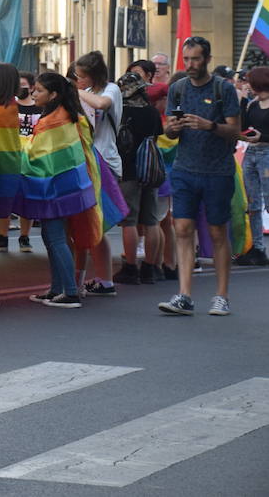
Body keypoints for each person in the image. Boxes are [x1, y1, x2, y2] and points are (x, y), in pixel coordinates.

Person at [159, 37, 242, 316]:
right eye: (187, 59)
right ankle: (184, 295)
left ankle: (221, 296)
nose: (190, 65)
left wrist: (209, 126)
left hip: (218, 171)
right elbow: (170, 132)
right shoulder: (178, 89)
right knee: (182, 229)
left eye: (195, 59)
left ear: (207, 59)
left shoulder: (223, 89)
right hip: (184, 169)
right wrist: (172, 128)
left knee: (218, 231)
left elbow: (235, 130)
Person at [22, 71, 92, 308]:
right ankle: (56, 289)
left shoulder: (53, 120)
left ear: (53, 94)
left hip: (53, 187)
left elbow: (37, 154)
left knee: (55, 237)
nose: (34, 93)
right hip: (66, 185)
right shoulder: (66, 115)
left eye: (39, 90)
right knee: (51, 236)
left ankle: (69, 291)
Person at [73, 51, 122, 297]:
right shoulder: (88, 92)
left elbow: (102, 105)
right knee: (88, 225)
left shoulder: (111, 90)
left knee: (96, 225)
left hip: (106, 162)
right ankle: (93, 280)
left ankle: (103, 280)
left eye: (80, 77)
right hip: (87, 161)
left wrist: (75, 91)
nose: (78, 81)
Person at [112, 71, 167, 284]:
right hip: (150, 171)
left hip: (128, 170)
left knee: (130, 222)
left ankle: (130, 267)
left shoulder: (121, 112)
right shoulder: (152, 112)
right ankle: (150, 268)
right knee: (151, 221)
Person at [0, 68, 37, 253]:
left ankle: (24, 237)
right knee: (5, 198)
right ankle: (2, 236)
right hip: (12, 157)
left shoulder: (39, 107)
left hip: (32, 158)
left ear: (32, 87)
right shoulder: (9, 107)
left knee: (27, 200)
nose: (21, 89)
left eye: (24, 86)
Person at [235, 66, 269, 267]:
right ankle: (258, 248)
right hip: (252, 154)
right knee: (253, 203)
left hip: (267, 154)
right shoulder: (253, 105)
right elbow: (242, 126)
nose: (246, 84)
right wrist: (242, 102)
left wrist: (262, 137)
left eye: (249, 81)